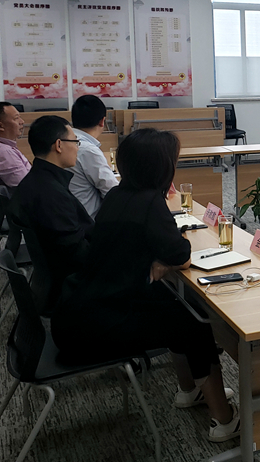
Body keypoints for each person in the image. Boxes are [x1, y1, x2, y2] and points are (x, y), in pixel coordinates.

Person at [51, 128, 239, 442]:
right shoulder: (150, 202)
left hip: (79, 311)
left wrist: (162, 261)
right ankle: (225, 420)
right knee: (195, 325)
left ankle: (189, 390)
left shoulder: (117, 195)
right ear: (161, 166)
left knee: (177, 307)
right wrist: (166, 261)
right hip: (97, 327)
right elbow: (181, 255)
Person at [9, 115, 93, 313]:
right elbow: (77, 255)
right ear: (59, 145)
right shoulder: (49, 194)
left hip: (55, 284)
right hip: (73, 292)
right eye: (75, 142)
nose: (77, 148)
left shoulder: (38, 181)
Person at [69, 95, 119, 217]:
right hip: (89, 221)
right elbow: (111, 192)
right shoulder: (87, 150)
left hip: (70, 215)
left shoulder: (66, 142)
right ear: (102, 121)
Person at [0, 102, 31, 192]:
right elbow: (27, 185)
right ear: (1, 125)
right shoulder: (4, 152)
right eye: (16, 118)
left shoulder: (8, 147)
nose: (22, 122)